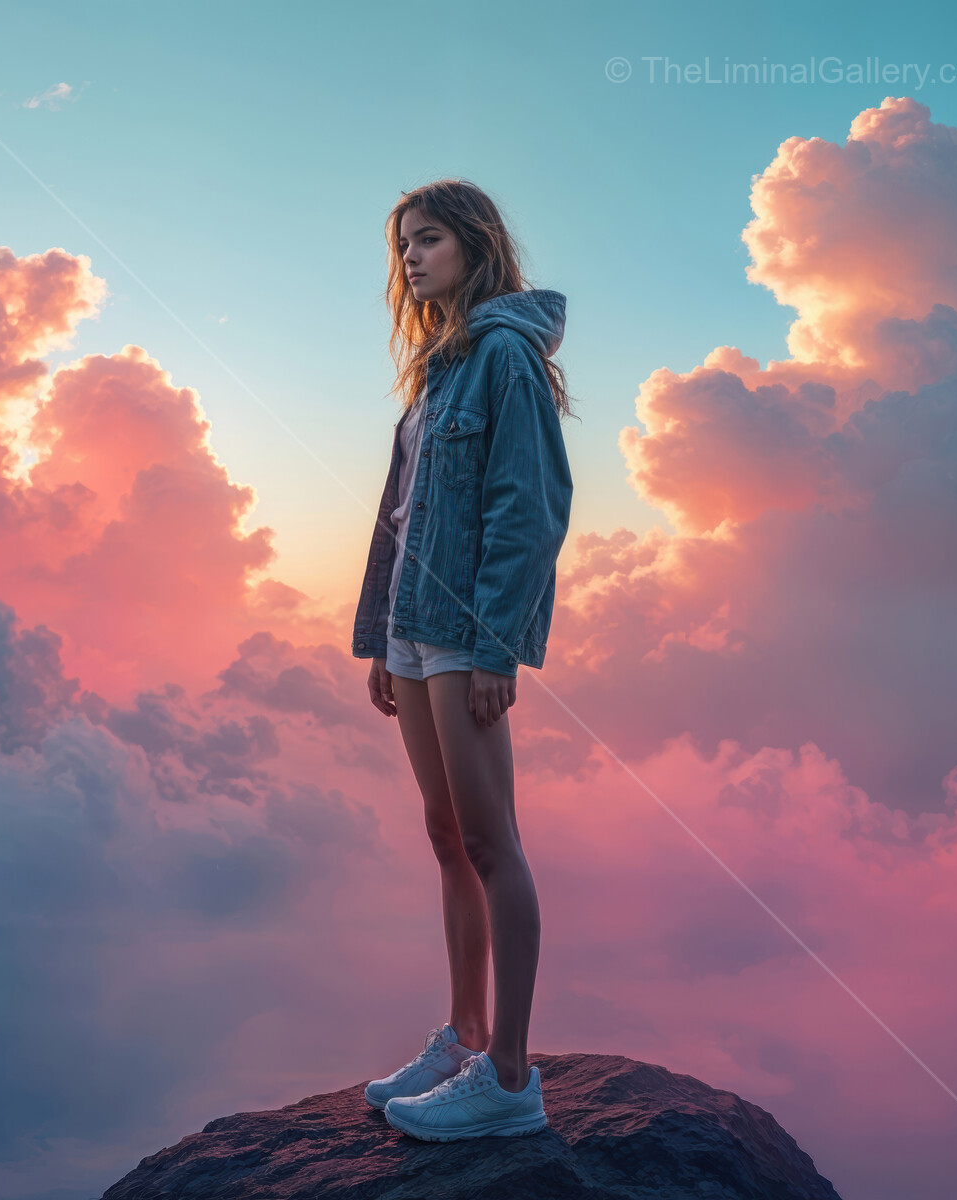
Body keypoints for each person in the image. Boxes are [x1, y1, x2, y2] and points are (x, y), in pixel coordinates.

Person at [352, 179, 576, 1141]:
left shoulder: (503, 358)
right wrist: (379, 638)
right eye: (403, 243)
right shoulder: (438, 365)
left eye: (428, 239)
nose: (410, 257)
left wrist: (496, 648)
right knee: (446, 837)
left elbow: (527, 510)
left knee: (492, 844)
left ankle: (510, 1079)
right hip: (414, 631)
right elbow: (396, 514)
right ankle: (464, 1034)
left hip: (462, 635)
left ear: (475, 244)